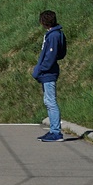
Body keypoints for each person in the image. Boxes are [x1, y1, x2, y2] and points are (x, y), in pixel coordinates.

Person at [31, 10, 66, 142]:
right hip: (50, 71)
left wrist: (41, 70)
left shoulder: (52, 36)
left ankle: (56, 132)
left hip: (48, 72)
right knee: (48, 101)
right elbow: (61, 53)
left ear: (43, 22)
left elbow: (50, 57)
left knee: (51, 102)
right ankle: (53, 130)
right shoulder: (58, 34)